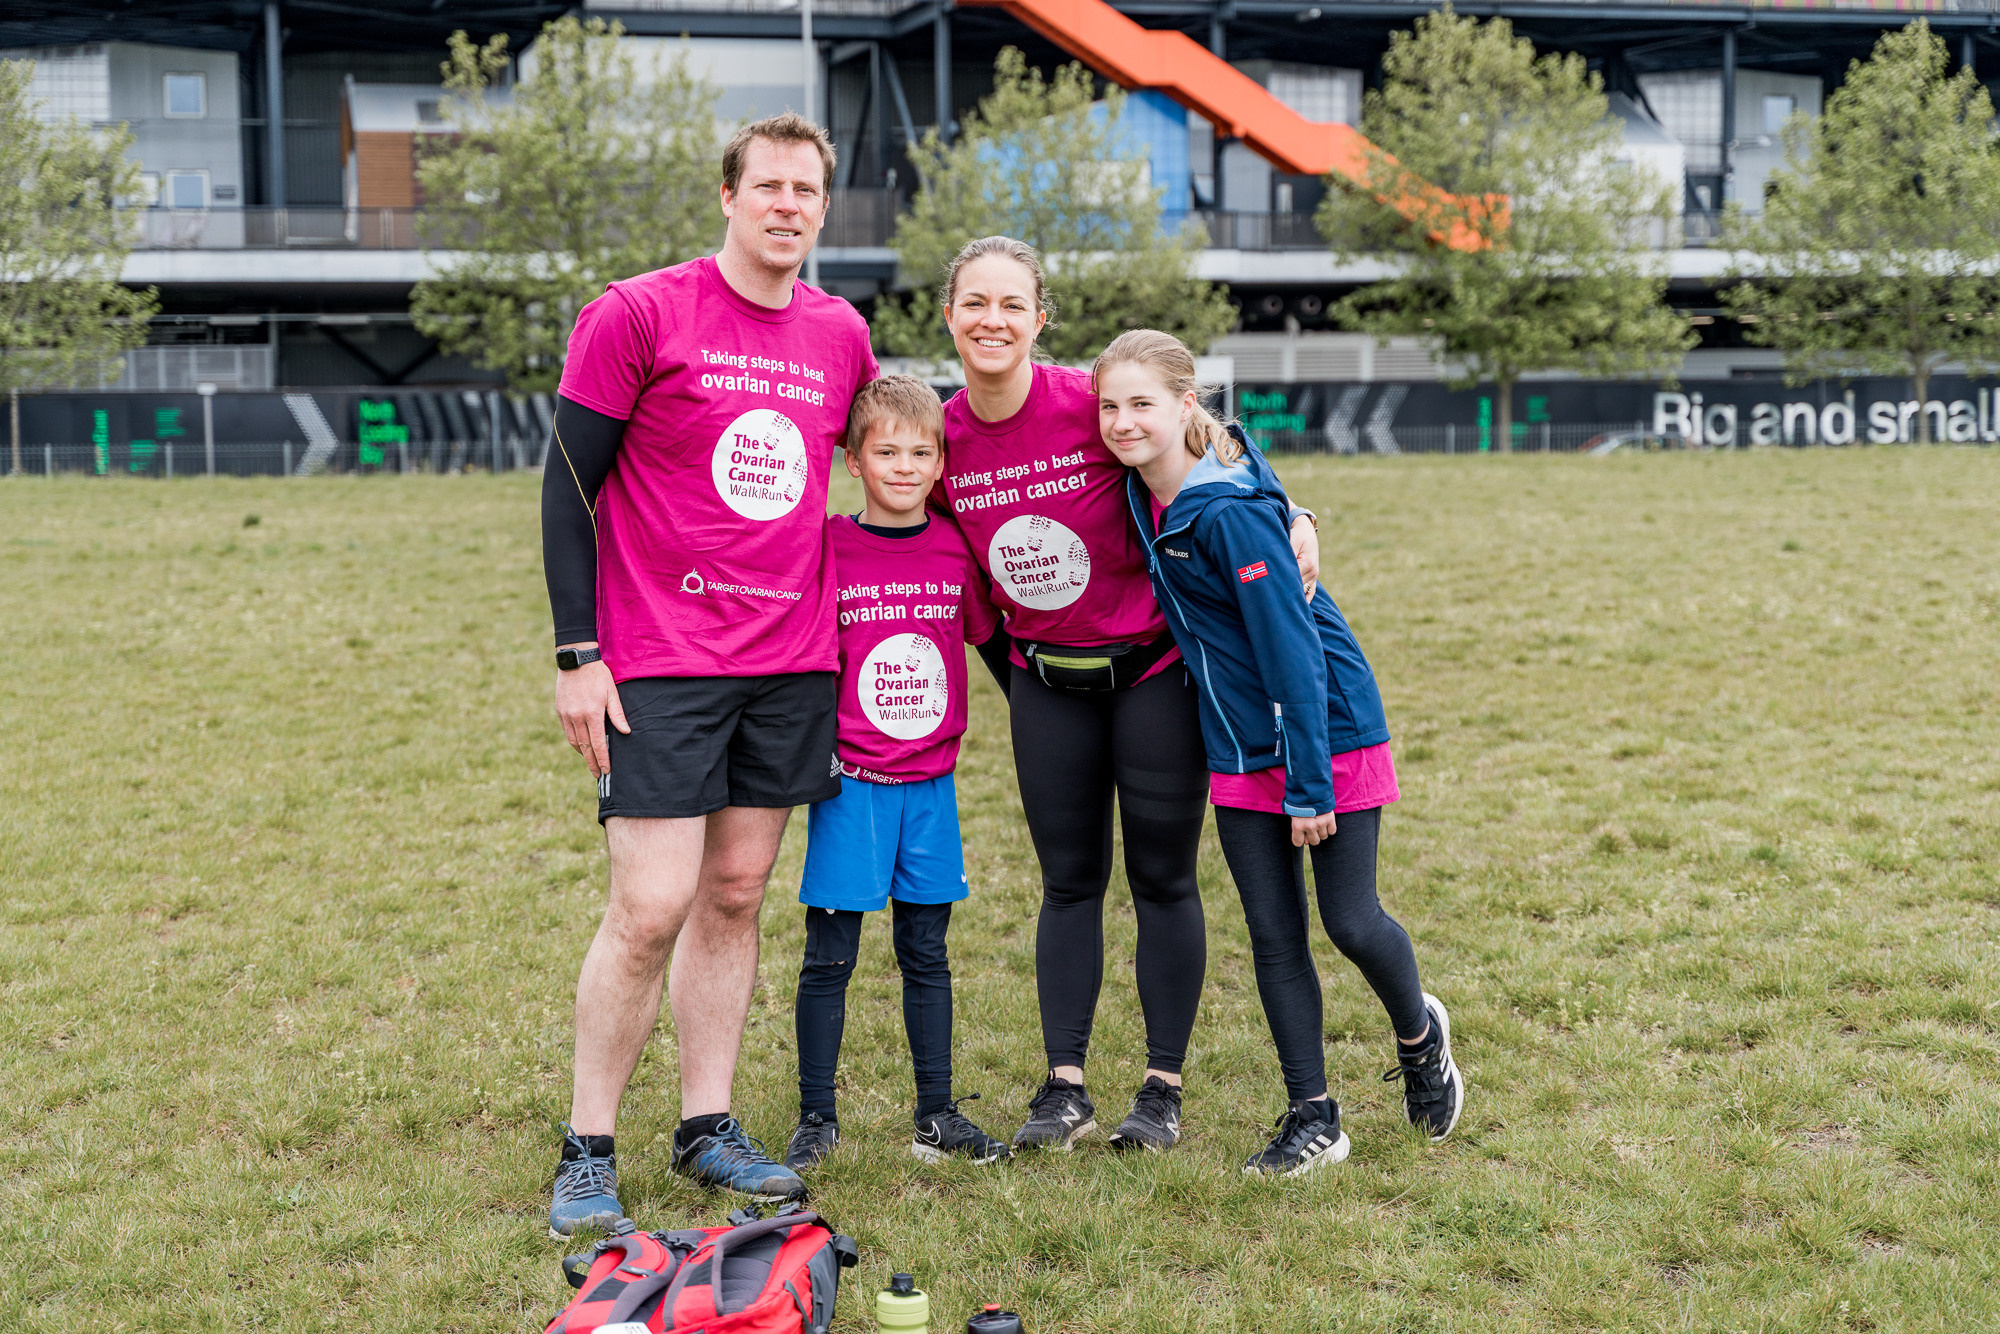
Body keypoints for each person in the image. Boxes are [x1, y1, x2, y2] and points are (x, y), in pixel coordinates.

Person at [538, 112, 879, 1235]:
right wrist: (576, 654)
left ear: (822, 209)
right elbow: (567, 488)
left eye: (807, 191)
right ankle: (588, 1147)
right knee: (647, 906)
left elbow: (922, 450)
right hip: (658, 662)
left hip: (789, 661)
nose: (788, 205)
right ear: (727, 196)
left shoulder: (840, 334)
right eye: (768, 185)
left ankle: (706, 1125)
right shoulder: (636, 313)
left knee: (734, 895)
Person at [927, 237, 1322, 1153]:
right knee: (1068, 884)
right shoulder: (942, 435)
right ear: (950, 316)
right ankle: (1063, 1089)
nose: (992, 321)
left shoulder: (1092, 401)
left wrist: (1292, 508)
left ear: (1038, 319)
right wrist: (1022, 682)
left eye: (1011, 305)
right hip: (1045, 687)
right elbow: (967, 580)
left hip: (1151, 676)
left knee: (1161, 879)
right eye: (974, 304)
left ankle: (1161, 1088)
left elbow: (1210, 447)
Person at [1095, 328, 1463, 1177]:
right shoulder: (1154, 485)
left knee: (1349, 920)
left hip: (1323, 732)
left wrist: (1307, 785)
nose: (1122, 422)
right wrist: (1296, 503)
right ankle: (1314, 1117)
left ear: (1186, 404)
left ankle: (1420, 1036)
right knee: (1271, 935)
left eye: (1142, 404)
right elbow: (1250, 458)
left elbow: (1294, 653)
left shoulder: (1224, 513)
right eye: (1110, 406)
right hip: (1235, 741)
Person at [779, 375, 1013, 1173]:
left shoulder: (956, 548)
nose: (905, 467)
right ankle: (816, 1116)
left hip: (932, 786)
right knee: (830, 955)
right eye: (887, 452)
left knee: (927, 950)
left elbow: (987, 637)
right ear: (853, 460)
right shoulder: (828, 545)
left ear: (942, 463)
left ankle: (937, 1113)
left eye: (922, 453)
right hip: (853, 786)